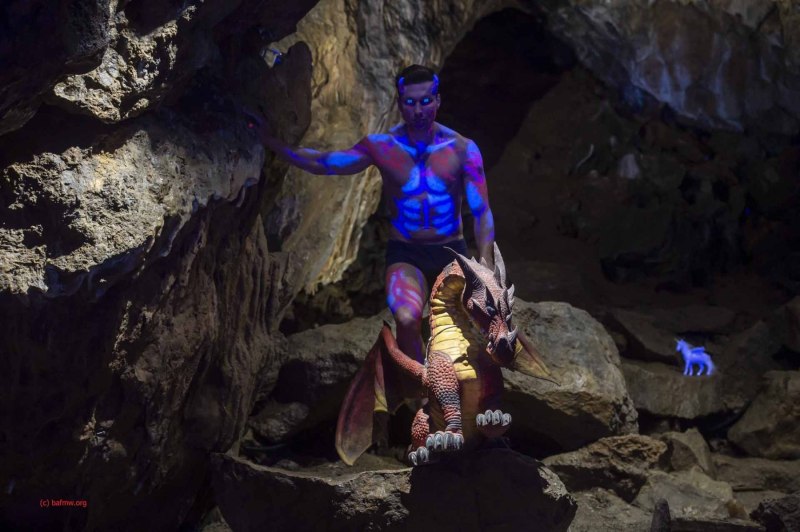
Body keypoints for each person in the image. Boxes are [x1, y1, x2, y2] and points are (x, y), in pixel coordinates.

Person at [249, 64, 496, 364]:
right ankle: (421, 388)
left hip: (451, 252)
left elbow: (482, 213)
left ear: (438, 100)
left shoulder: (463, 149)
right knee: (406, 318)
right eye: (410, 102)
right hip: (406, 253)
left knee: (467, 325)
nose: (419, 110)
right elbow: (327, 163)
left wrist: (486, 269)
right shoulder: (382, 147)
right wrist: (272, 142)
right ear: (399, 103)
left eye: (426, 100)